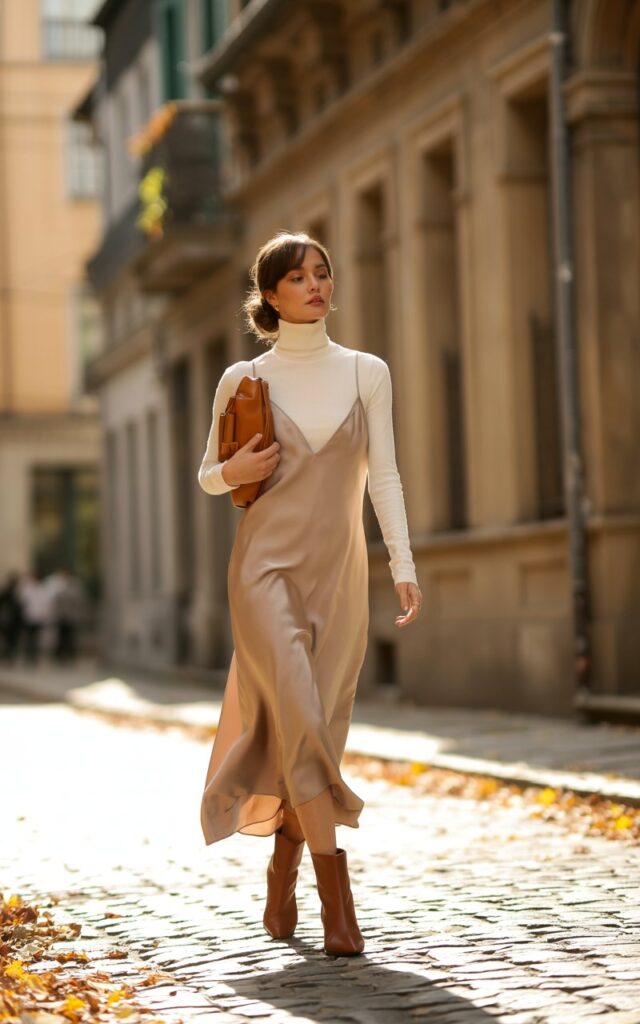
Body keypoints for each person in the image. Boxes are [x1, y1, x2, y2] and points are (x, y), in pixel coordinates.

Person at [197, 231, 422, 957]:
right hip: (263, 572)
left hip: (342, 574)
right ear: (270, 295)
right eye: (298, 277)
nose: (316, 285)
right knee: (296, 705)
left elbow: (382, 475)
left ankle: (284, 864)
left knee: (316, 731)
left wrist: (403, 564)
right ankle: (338, 904)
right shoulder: (243, 378)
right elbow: (208, 475)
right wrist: (236, 469)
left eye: (323, 273)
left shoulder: (368, 372)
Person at [45, 567, 87, 665]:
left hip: (71, 616)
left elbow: (79, 599)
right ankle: (59, 656)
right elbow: (51, 599)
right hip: (60, 616)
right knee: (59, 637)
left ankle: (70, 656)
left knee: (71, 637)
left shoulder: (74, 584)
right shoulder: (53, 583)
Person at [17, 570, 52, 665]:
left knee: (36, 638)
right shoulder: (27, 588)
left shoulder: (42, 588)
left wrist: (45, 615)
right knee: (28, 638)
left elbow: (46, 603)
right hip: (28, 617)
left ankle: (34, 656)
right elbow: (21, 600)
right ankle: (28, 656)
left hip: (38, 617)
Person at [0, 572, 24, 663]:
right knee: (8, 639)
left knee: (12, 639)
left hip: (15, 620)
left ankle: (10, 654)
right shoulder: (6, 592)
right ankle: (7, 654)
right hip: (8, 619)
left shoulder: (20, 592)